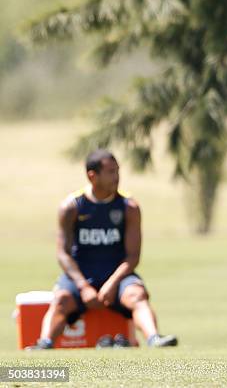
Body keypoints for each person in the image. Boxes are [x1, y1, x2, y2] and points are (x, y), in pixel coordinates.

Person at [28, 149, 177, 349]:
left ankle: (154, 339)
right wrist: (83, 286)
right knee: (62, 299)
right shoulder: (71, 207)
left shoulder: (129, 207)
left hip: (117, 275)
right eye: (110, 172)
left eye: (117, 171)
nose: (117, 177)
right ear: (92, 176)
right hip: (81, 276)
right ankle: (44, 344)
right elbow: (63, 254)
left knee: (137, 294)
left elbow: (133, 256)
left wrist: (112, 283)